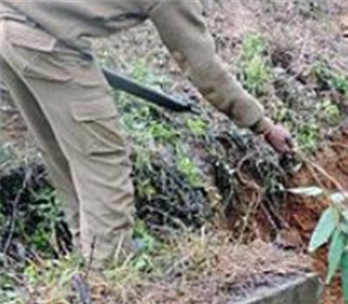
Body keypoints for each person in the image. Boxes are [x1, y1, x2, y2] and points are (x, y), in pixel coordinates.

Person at [0, 0, 293, 270]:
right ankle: (109, 278)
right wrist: (263, 125)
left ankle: (89, 257)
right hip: (45, 43)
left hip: (10, 23)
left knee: (64, 154)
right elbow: (203, 67)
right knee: (103, 161)